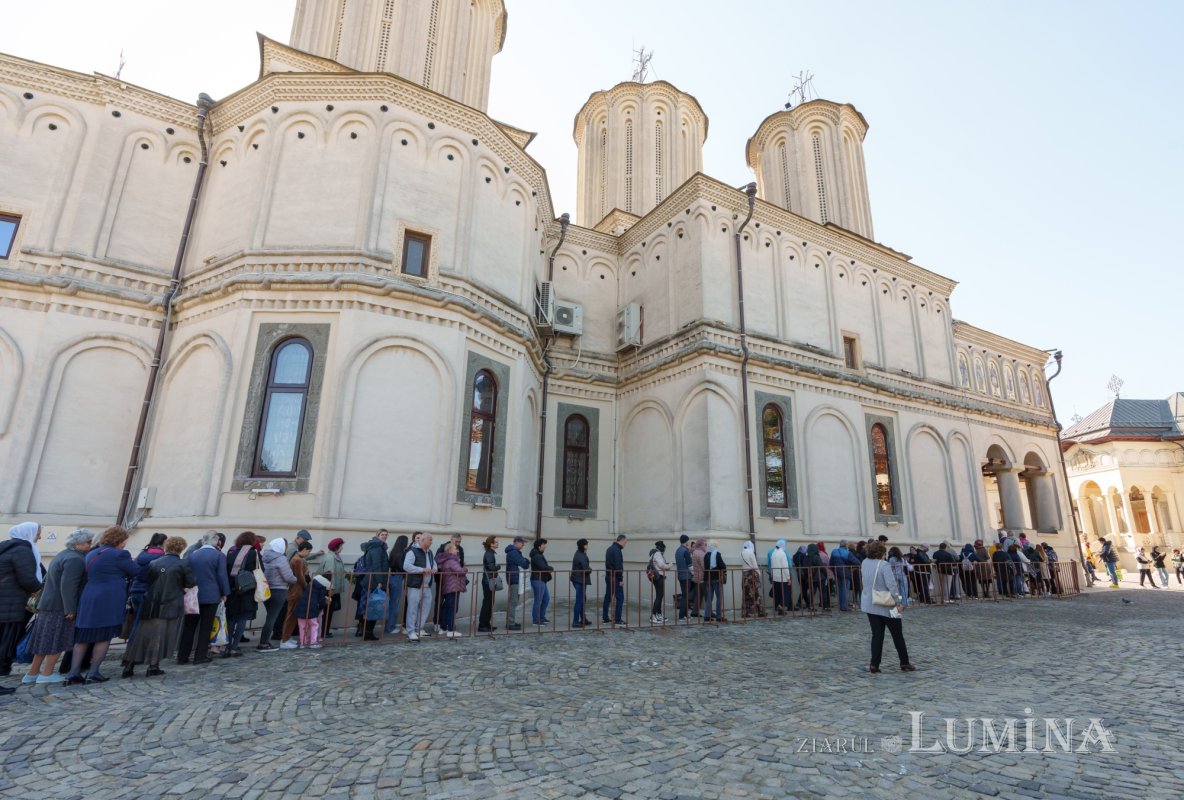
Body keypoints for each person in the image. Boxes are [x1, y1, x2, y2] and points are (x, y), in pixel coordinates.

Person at [66, 525, 138, 685]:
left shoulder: (91, 553)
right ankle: (93, 672)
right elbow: (135, 571)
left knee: (83, 636)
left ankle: (73, 673)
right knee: (104, 636)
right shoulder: (120, 554)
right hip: (109, 597)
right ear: (120, 540)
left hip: (89, 595)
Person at [22, 528, 93, 686]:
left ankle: (32, 673)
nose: (90, 545)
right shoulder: (75, 559)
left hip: (49, 604)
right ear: (78, 543)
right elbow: (68, 586)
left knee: (43, 639)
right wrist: (70, 609)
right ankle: (47, 673)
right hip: (60, 606)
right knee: (57, 639)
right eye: (88, 542)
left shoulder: (63, 554)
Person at [123, 536, 195, 677]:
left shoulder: (154, 562)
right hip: (170, 603)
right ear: (181, 548)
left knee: (142, 635)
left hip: (151, 602)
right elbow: (191, 582)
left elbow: (147, 580)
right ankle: (153, 666)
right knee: (161, 636)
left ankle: (129, 665)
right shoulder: (183, 564)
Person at [0, 522, 44, 691]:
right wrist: (37, 588)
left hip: (5, 602)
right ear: (29, 533)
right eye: (37, 533)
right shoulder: (22, 551)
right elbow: (27, 579)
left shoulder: (6, 547)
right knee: (4, 642)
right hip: (10, 606)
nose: (39, 537)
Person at [860, 541, 914, 673]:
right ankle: (904, 662)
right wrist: (899, 601)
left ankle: (874, 664)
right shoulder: (884, 565)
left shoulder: (864, 562)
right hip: (887, 604)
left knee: (877, 635)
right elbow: (892, 585)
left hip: (870, 603)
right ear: (881, 552)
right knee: (897, 635)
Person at [178, 530, 230, 665]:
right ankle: (200, 656)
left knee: (189, 627)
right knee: (206, 627)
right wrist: (225, 593)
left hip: (193, 595)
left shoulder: (193, 554)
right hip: (211, 595)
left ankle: (182, 656)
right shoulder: (219, 556)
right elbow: (221, 576)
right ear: (216, 541)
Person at [222, 531, 261, 659]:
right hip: (246, 590)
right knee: (242, 619)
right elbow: (260, 571)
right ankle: (234, 647)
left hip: (232, 590)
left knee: (231, 619)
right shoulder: (252, 553)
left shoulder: (231, 553)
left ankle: (227, 645)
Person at [126, 533, 167, 651]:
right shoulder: (161, 557)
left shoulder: (142, 554)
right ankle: (134, 654)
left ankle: (131, 652)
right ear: (163, 543)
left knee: (137, 622)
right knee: (143, 624)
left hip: (135, 590)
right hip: (148, 591)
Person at [258, 538, 296, 651]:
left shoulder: (265, 556)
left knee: (270, 616)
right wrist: (296, 579)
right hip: (278, 590)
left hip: (266, 589)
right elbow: (288, 576)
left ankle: (264, 641)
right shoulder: (281, 558)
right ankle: (263, 643)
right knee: (272, 618)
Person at [353, 530, 388, 641]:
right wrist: (380, 582)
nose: (385, 536)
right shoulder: (377, 547)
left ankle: (366, 632)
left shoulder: (377, 546)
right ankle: (368, 633)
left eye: (386, 535)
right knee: (373, 607)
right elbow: (377, 566)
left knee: (370, 607)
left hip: (370, 580)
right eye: (382, 534)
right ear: (377, 536)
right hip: (373, 581)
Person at [309, 537, 347, 637]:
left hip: (331, 589)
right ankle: (324, 632)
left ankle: (324, 631)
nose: (342, 548)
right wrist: (331, 589)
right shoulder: (331, 558)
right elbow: (330, 575)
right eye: (341, 546)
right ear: (337, 547)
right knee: (327, 612)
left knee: (329, 611)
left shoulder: (334, 556)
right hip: (329, 590)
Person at [403, 532, 437, 642]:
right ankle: (411, 631)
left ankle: (419, 628)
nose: (431, 542)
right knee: (412, 608)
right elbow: (406, 566)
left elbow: (433, 563)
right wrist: (421, 569)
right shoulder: (412, 551)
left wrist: (434, 568)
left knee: (426, 606)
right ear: (422, 540)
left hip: (427, 585)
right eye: (430, 540)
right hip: (415, 584)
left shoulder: (430, 552)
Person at [437, 542, 467, 638]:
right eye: (455, 548)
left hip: (449, 587)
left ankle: (443, 628)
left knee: (447, 607)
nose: (457, 550)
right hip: (453, 587)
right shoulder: (452, 561)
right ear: (449, 550)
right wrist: (465, 568)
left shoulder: (446, 560)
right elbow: (460, 571)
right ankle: (450, 629)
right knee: (452, 608)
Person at [296, 574, 332, 648]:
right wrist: (325, 604)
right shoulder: (322, 588)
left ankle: (302, 643)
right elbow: (321, 602)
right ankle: (313, 642)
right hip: (312, 609)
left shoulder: (309, 586)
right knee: (314, 625)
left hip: (301, 608)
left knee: (302, 626)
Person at [384, 535, 409, 635]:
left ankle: (389, 625)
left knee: (392, 603)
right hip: (397, 577)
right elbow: (402, 567)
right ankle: (390, 627)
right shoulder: (401, 553)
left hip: (392, 577)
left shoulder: (393, 551)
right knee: (395, 603)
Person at [504, 536, 529, 632]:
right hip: (514, 578)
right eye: (522, 543)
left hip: (515, 578)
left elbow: (524, 562)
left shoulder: (515, 552)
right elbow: (524, 563)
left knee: (514, 601)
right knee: (513, 601)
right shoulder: (514, 552)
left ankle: (511, 622)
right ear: (517, 542)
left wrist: (525, 560)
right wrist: (526, 560)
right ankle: (510, 623)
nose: (523, 545)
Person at [603, 534, 627, 626]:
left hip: (609, 576)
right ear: (622, 540)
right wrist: (620, 579)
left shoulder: (609, 548)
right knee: (620, 598)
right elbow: (618, 566)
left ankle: (605, 618)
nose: (625, 544)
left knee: (608, 597)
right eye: (625, 542)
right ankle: (617, 619)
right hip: (615, 578)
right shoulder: (617, 550)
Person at [529, 539, 553, 626]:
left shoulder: (538, 554)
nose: (545, 546)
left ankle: (541, 617)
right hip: (537, 580)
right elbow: (543, 567)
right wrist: (550, 568)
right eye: (544, 545)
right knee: (538, 600)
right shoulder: (537, 556)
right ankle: (536, 620)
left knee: (546, 599)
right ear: (539, 546)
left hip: (541, 579)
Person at [478, 535, 499, 633]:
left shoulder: (490, 553)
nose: (498, 543)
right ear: (491, 544)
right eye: (496, 542)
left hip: (489, 580)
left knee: (490, 602)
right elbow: (491, 567)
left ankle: (487, 624)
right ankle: (482, 625)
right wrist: (497, 567)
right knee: (487, 603)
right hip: (488, 581)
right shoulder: (489, 553)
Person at [702, 541, 726, 622]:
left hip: (708, 579)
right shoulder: (717, 554)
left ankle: (707, 616)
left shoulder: (706, 555)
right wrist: (724, 569)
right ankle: (719, 616)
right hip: (716, 578)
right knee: (719, 597)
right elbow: (722, 565)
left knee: (709, 598)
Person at [739, 541, 764, 619]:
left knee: (745, 593)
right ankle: (760, 611)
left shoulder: (741, 553)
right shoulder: (750, 553)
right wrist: (759, 574)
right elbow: (755, 565)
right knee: (755, 593)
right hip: (751, 575)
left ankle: (744, 612)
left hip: (744, 575)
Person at [571, 539, 592, 627]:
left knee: (582, 600)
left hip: (579, 579)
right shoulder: (581, 555)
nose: (587, 546)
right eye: (587, 545)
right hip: (579, 580)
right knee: (579, 601)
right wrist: (590, 570)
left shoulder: (580, 554)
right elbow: (585, 568)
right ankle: (575, 622)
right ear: (583, 545)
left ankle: (583, 619)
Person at [767, 539, 791, 615]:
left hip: (775, 577)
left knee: (777, 594)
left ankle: (777, 606)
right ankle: (782, 607)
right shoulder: (782, 553)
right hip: (783, 578)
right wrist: (788, 577)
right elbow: (785, 567)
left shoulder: (774, 553)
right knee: (786, 593)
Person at [649, 541, 669, 624]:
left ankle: (658, 614)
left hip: (656, 576)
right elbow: (661, 565)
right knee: (659, 595)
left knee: (659, 595)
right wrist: (669, 566)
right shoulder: (657, 554)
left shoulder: (653, 554)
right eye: (663, 548)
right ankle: (653, 615)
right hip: (659, 576)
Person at [831, 540, 853, 611]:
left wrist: (834, 570)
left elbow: (830, 563)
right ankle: (844, 607)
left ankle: (841, 606)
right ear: (846, 545)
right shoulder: (847, 552)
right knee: (845, 590)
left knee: (840, 589)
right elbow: (856, 561)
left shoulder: (834, 551)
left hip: (837, 573)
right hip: (845, 573)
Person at [675, 535, 693, 621]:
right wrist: (693, 574)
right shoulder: (686, 551)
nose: (689, 543)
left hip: (680, 575)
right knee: (685, 596)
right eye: (688, 541)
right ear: (686, 541)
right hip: (686, 576)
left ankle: (685, 615)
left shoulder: (678, 550)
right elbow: (690, 565)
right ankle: (682, 616)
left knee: (684, 595)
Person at [806, 543, 828, 611]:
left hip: (812, 577)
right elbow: (821, 566)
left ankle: (810, 606)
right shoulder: (816, 556)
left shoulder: (807, 557)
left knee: (812, 592)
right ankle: (825, 607)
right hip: (820, 576)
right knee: (823, 592)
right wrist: (826, 574)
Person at [691, 538, 708, 617]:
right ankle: (709, 613)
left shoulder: (694, 552)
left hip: (696, 576)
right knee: (708, 596)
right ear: (701, 545)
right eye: (705, 544)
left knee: (698, 595)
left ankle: (694, 611)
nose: (706, 546)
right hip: (702, 577)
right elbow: (704, 565)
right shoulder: (701, 553)